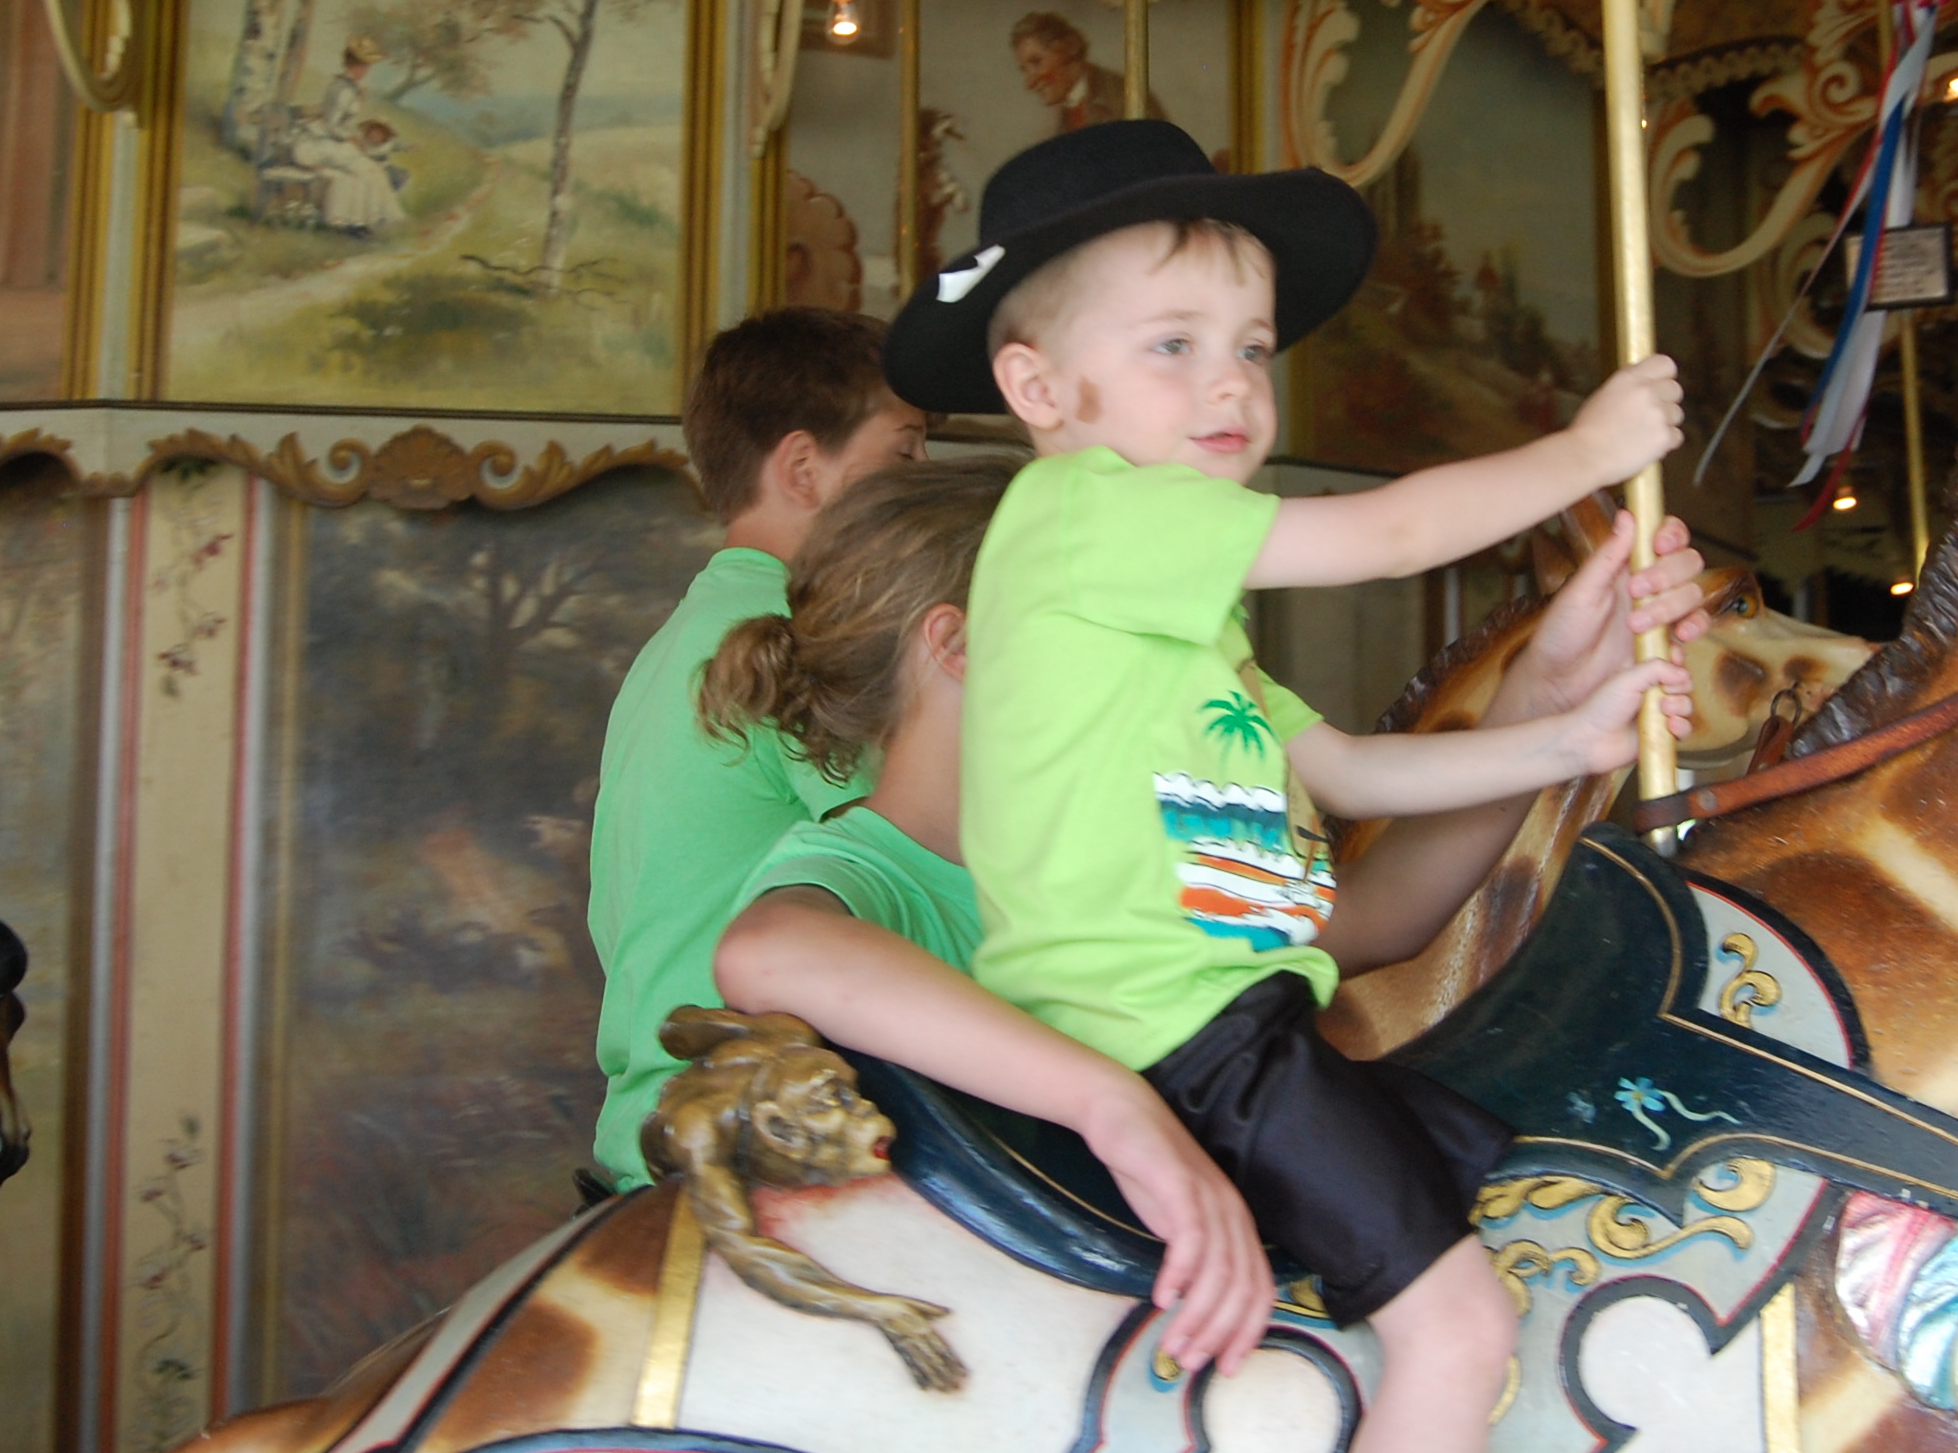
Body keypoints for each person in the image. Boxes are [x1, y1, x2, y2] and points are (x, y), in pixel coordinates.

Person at [882, 119, 1693, 1450]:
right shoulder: (1085, 515)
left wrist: (1570, 739)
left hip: (1232, 1021)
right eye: (1173, 344)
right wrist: (1588, 452)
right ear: (1038, 387)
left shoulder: (1171, 635)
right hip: (1180, 1035)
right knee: (1466, 1328)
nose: (1232, 385)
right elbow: (1394, 534)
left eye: (1252, 348)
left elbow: (1358, 773)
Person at [701, 455, 1710, 1380]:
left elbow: (1370, 913)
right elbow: (768, 948)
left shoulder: (1132, 856)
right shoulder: (873, 872)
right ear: (960, 643)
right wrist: (1110, 1100)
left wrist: (1544, 692)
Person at [584, 308, 928, 1188]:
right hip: (754, 1113)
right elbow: (938, 854)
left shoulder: (682, 639)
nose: (922, 480)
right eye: (906, 451)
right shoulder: (788, 642)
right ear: (805, 468)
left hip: (659, 1107)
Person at [288, 36, 405, 235]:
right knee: (368, 169)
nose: (367, 71)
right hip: (319, 144)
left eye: (368, 66)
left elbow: (342, 122)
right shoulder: (343, 89)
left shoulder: (349, 87)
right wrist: (351, 139)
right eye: (365, 66)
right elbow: (332, 125)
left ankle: (358, 222)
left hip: (330, 142)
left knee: (365, 171)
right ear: (355, 65)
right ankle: (355, 223)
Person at [1009, 11, 1166, 132]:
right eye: (1024, 70)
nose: (1029, 83)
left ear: (1067, 48)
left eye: (1036, 62)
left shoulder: (1121, 98)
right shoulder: (1068, 111)